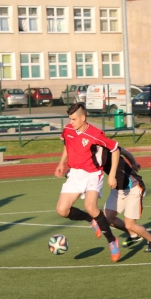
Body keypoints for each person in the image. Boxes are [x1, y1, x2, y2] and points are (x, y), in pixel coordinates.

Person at [54, 103, 122, 262]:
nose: (71, 122)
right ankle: (91, 220)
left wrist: (112, 175)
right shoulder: (68, 130)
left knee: (91, 206)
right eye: (70, 119)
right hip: (75, 173)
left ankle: (112, 241)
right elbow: (67, 145)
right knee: (62, 210)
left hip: (93, 174)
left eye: (74, 119)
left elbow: (115, 149)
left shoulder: (95, 134)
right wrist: (61, 163)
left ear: (83, 118)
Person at [102, 146, 151, 252]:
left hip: (133, 188)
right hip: (118, 189)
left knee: (130, 224)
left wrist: (133, 163)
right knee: (107, 218)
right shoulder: (89, 153)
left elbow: (125, 152)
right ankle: (134, 235)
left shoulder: (107, 147)